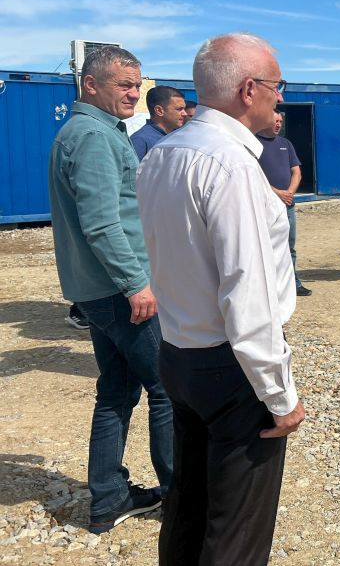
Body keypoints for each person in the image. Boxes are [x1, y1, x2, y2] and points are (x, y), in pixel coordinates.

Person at [136, 33, 306, 564]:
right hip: (232, 368)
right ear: (249, 89)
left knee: (189, 506)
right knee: (236, 531)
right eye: (277, 85)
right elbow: (247, 294)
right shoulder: (231, 166)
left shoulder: (163, 154)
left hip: (178, 353)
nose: (281, 96)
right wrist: (280, 396)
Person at [47, 45, 172, 534]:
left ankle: (109, 499)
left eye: (137, 85)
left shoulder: (92, 131)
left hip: (98, 289)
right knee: (167, 389)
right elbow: (101, 224)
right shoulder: (94, 136)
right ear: (90, 84)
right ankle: (181, 496)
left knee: (117, 391)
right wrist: (136, 284)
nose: (134, 94)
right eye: (124, 84)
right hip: (120, 292)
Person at [258, 109, 311, 296]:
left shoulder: (285, 144)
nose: (279, 124)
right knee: (266, 247)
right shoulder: (254, 143)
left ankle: (293, 283)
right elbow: (254, 176)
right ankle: (270, 287)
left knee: (289, 246)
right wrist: (278, 193)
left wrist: (289, 193)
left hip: (287, 205)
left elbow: (296, 172)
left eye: (281, 121)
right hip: (265, 205)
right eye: (276, 121)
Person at [130, 85, 187, 160]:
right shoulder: (140, 140)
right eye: (179, 109)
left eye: (184, 109)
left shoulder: (180, 136)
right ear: (159, 111)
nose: (184, 113)